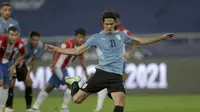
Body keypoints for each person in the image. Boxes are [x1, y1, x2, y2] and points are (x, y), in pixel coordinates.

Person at [45, 11, 175, 112]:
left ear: (115, 23)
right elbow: (76, 51)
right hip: (102, 74)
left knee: (120, 103)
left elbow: (140, 41)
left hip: (116, 77)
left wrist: (161, 37)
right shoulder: (96, 37)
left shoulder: (122, 36)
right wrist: (55, 48)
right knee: (76, 100)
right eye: (106, 24)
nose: (108, 26)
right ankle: (74, 82)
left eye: (111, 24)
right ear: (102, 23)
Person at [32, 28, 89, 112]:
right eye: (79, 37)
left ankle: (35, 107)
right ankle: (64, 108)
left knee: (48, 88)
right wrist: (53, 64)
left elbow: (82, 59)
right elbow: (56, 50)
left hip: (64, 69)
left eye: (82, 38)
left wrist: (85, 72)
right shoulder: (69, 43)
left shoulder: (81, 47)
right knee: (71, 84)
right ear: (75, 36)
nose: (81, 39)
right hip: (59, 67)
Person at [94, 12, 137, 112]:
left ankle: (118, 105)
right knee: (104, 83)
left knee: (118, 84)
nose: (114, 24)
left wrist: (129, 54)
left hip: (120, 62)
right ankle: (99, 107)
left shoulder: (123, 32)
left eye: (115, 21)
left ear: (118, 22)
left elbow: (135, 42)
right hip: (107, 63)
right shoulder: (103, 33)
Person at [5, 31, 43, 112]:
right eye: (33, 40)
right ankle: (9, 108)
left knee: (28, 82)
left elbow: (34, 60)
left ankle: (29, 108)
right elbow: (14, 56)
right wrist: (13, 68)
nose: (35, 42)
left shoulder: (39, 46)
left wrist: (28, 74)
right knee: (11, 82)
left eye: (37, 40)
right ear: (30, 39)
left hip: (21, 62)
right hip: (11, 60)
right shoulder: (23, 44)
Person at [0, 26, 25, 112]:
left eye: (16, 35)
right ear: (7, 35)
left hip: (9, 63)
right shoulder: (1, 40)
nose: (14, 37)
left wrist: (14, 66)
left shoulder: (20, 43)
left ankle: (1, 107)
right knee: (0, 82)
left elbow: (22, 54)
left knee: (7, 86)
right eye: (12, 35)